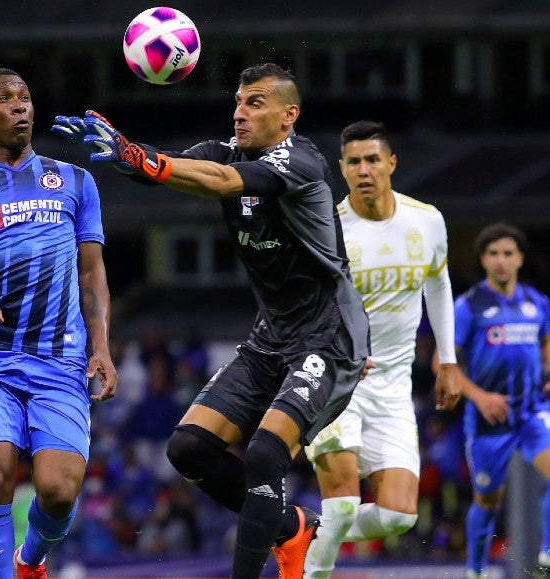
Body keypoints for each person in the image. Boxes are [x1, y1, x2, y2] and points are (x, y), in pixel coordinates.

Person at [54, 62, 370, 579]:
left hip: (328, 337)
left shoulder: (302, 162)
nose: (239, 113)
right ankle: (291, 528)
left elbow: (223, 182)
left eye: (255, 103)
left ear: (289, 115)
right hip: (271, 337)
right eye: (239, 102)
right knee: (190, 449)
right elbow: (171, 168)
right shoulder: (224, 151)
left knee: (267, 453)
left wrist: (142, 157)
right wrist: (123, 151)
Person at [0, 67, 118, 579]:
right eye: (6, 99)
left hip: (60, 357)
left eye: (26, 98)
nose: (20, 107)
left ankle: (29, 560)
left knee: (58, 492)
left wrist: (101, 346)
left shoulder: (76, 181)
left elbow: (92, 270)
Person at [302, 121, 463, 577]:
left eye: (373, 159)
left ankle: (297, 529)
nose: (364, 170)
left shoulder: (426, 220)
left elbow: (438, 283)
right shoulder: (326, 229)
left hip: (393, 387)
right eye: (354, 162)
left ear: (391, 163)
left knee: (398, 515)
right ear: (342, 169)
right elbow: (304, 307)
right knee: (344, 506)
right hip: (337, 382)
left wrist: (447, 359)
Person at [454, 223, 550, 579]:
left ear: (520, 258)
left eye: (508, 253)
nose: (501, 261)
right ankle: (475, 571)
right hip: (490, 420)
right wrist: (480, 397)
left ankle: (548, 560)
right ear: (483, 260)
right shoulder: (468, 306)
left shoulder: (537, 302)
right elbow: (445, 365)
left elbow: (547, 341)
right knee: (487, 501)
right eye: (493, 254)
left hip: (533, 410)